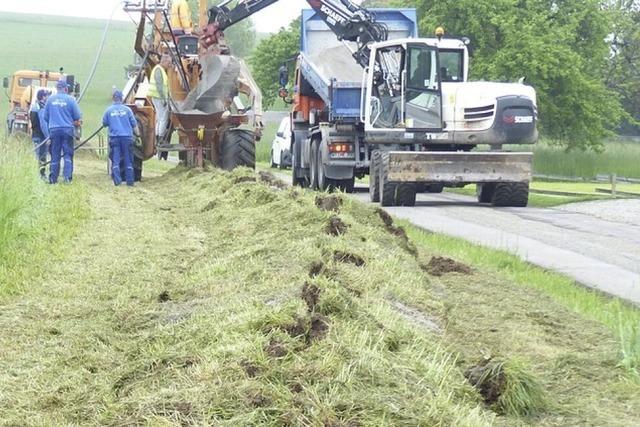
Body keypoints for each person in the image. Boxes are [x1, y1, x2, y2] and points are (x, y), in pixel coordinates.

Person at [44, 79, 82, 184]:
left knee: (55, 154)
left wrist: (54, 122)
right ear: (66, 88)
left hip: (54, 130)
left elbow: (45, 117)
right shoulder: (71, 100)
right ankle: (67, 178)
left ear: (57, 88)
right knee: (67, 154)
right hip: (67, 130)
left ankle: (53, 179)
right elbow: (77, 116)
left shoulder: (50, 100)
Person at [102, 90, 138, 186]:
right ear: (122, 98)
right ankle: (130, 182)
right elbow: (134, 125)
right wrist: (138, 135)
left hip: (115, 138)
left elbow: (104, 123)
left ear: (113, 98)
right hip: (127, 138)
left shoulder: (108, 110)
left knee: (116, 160)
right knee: (128, 160)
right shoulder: (128, 110)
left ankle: (117, 181)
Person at [149, 54, 172, 160]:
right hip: (159, 97)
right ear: (164, 61)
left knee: (160, 118)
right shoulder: (159, 70)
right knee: (163, 118)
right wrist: (164, 99)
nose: (169, 65)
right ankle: (160, 139)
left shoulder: (158, 69)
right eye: (169, 63)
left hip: (156, 97)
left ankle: (158, 138)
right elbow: (159, 85)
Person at [30, 89, 50, 180]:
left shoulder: (34, 107)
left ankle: (35, 175)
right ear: (43, 97)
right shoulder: (41, 108)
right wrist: (47, 137)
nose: (48, 98)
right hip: (41, 137)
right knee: (42, 157)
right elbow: (43, 124)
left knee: (37, 156)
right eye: (46, 96)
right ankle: (41, 176)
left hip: (35, 135)